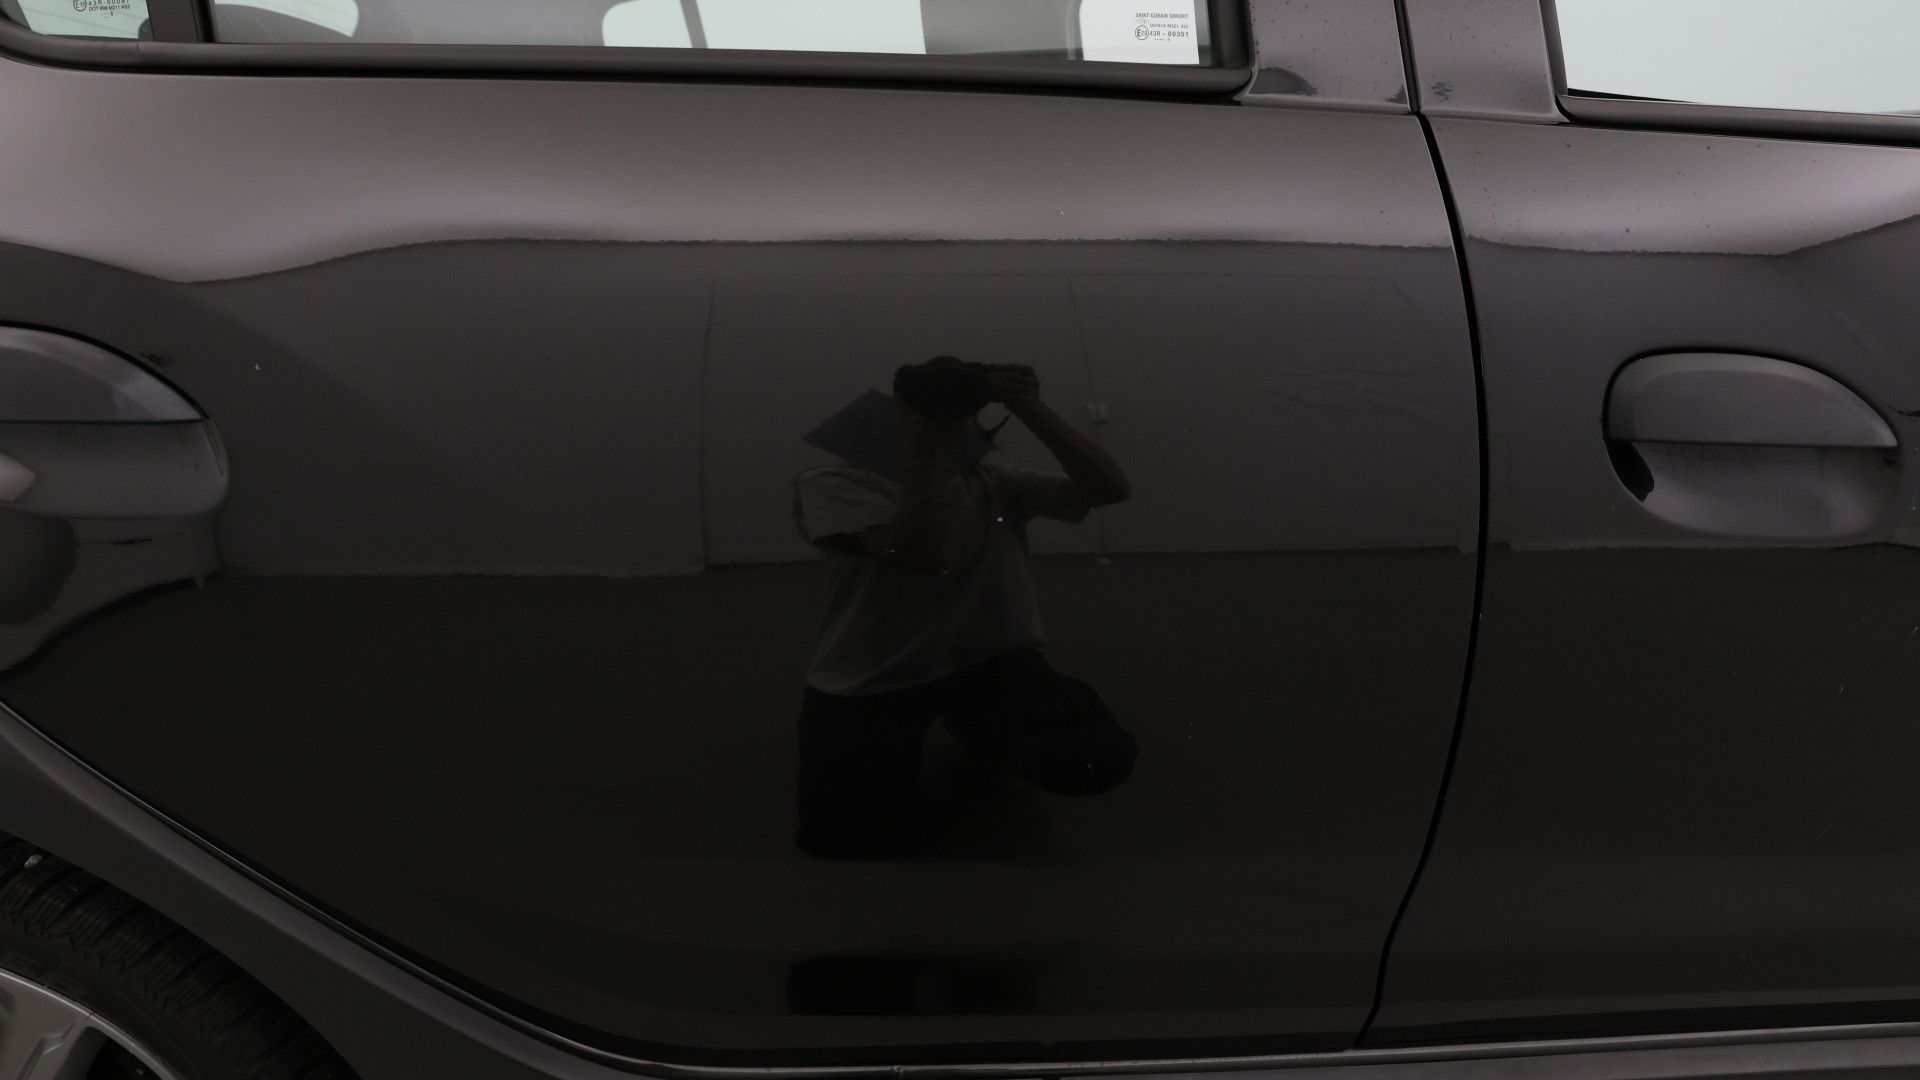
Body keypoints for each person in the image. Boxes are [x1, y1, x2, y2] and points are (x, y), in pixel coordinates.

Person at [791, 357, 1136, 859]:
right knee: (843, 837)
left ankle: (992, 743)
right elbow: (922, 555)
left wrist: (1033, 410)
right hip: (877, 675)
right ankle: (982, 741)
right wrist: (926, 451)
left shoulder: (991, 481)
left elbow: (1110, 489)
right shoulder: (831, 484)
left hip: (987, 661)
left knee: (1092, 755)